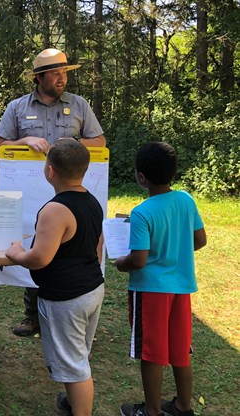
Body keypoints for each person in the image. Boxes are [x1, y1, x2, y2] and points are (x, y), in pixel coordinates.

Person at [0, 48, 106, 337]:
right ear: (39, 77)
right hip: (30, 190)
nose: (62, 78)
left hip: (69, 186)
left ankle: (69, 307)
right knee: (35, 243)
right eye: (56, 73)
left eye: (64, 73)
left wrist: (71, 144)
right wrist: (24, 140)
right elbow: (1, 146)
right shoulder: (17, 107)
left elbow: (99, 141)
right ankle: (33, 316)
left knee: (67, 246)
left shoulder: (80, 105)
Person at [6, 139, 105, 416]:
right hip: (91, 288)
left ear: (50, 171)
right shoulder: (92, 201)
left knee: (74, 367)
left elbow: (40, 258)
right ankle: (75, 401)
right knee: (78, 355)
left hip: (66, 298)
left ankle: (80, 410)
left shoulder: (54, 210)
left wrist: (16, 253)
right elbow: (98, 247)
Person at [114, 142, 206, 416]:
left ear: (141, 177)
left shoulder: (143, 212)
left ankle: (151, 411)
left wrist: (122, 264)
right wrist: (173, 248)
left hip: (150, 291)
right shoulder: (186, 200)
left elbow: (138, 260)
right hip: (181, 288)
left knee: (151, 353)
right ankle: (182, 406)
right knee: (179, 349)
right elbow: (199, 240)